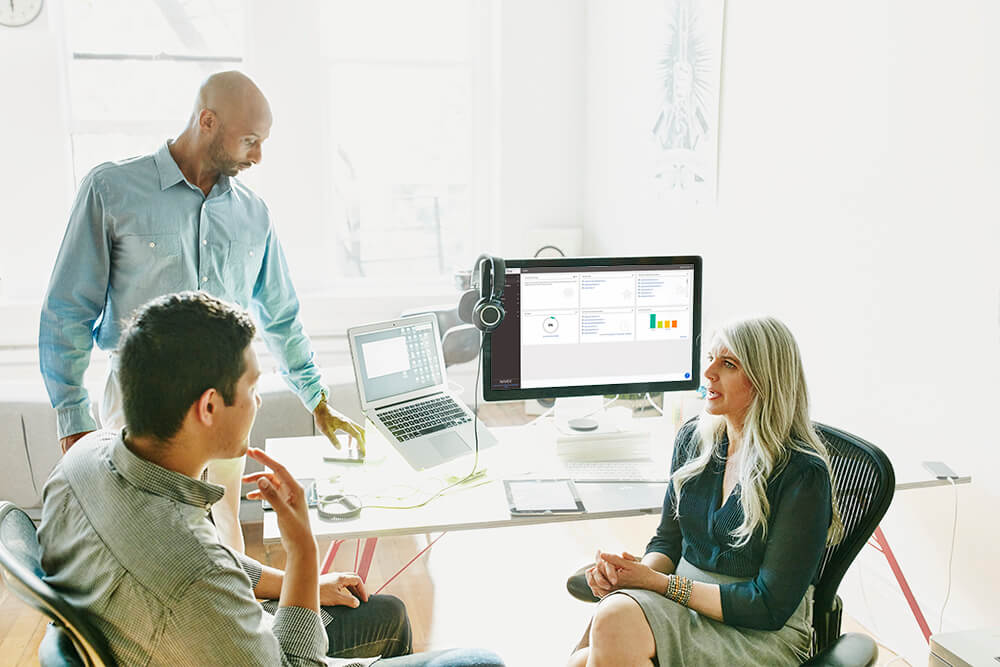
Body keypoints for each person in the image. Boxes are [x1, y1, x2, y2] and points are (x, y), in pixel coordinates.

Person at [38, 291, 504, 667]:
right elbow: (294, 660)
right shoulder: (193, 573)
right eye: (253, 388)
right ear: (208, 407)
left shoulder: (82, 460)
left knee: (385, 613)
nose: (258, 403)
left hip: (151, 637)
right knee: (482, 661)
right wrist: (302, 551)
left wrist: (299, 585)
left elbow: (210, 564)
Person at [38, 70, 363, 553]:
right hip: (140, 406)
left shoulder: (254, 215)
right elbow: (67, 311)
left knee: (223, 535)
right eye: (249, 140)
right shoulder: (111, 190)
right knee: (141, 544)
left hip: (229, 406)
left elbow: (281, 315)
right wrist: (73, 419)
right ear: (207, 121)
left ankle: (236, 627)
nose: (257, 156)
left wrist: (316, 397)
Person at [568, 316, 843, 666]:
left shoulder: (802, 474)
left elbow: (768, 607)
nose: (708, 372)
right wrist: (631, 578)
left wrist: (655, 584)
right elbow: (668, 541)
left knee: (615, 618)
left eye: (728, 364)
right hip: (685, 608)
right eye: (710, 358)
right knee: (599, 637)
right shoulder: (694, 440)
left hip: (758, 634)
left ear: (765, 380)